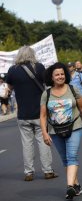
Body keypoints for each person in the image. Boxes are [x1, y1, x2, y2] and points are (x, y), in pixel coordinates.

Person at [40, 62, 82, 199]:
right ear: (52, 77)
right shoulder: (46, 94)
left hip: (75, 126)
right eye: (57, 75)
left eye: (62, 74)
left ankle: (69, 187)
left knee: (72, 156)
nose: (60, 77)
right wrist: (44, 133)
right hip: (55, 130)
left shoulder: (73, 90)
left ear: (65, 75)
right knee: (65, 159)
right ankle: (76, 185)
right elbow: (42, 116)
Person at [6, 46, 57, 181]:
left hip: (23, 114)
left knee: (27, 144)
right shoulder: (39, 67)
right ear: (32, 55)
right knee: (43, 141)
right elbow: (49, 83)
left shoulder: (12, 70)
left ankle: (29, 172)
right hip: (40, 113)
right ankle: (48, 171)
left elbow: (9, 87)